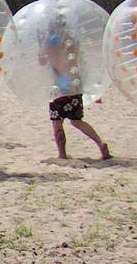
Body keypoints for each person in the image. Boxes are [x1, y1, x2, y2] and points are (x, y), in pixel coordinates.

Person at [39, 15, 111, 160]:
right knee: (77, 120)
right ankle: (100, 143)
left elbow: (41, 61)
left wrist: (42, 47)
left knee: (57, 123)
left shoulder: (50, 41)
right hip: (74, 83)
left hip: (58, 85)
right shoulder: (71, 40)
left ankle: (62, 154)